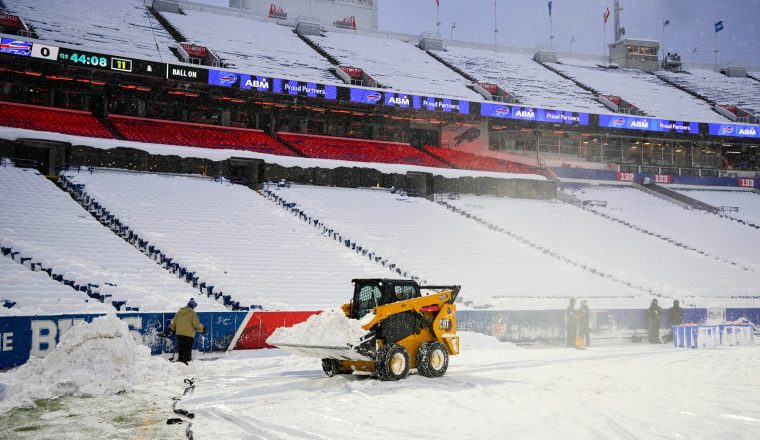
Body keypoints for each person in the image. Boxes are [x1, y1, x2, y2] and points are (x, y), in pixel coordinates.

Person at [171, 298, 205, 364]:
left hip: (179, 334)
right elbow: (196, 325)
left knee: (181, 348)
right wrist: (203, 328)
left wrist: (173, 329)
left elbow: (173, 322)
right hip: (189, 335)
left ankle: (180, 360)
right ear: (193, 306)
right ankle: (187, 362)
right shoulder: (192, 312)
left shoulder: (179, 312)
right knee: (187, 349)